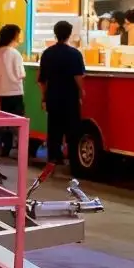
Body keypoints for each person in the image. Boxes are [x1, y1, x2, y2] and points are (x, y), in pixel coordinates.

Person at [38, 20, 85, 171]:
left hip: (53, 97)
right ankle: (73, 162)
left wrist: (44, 97)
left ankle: (53, 159)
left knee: (54, 130)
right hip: (70, 98)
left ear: (55, 34)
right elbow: (78, 76)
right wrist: (82, 91)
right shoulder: (75, 54)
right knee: (72, 130)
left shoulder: (47, 53)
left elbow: (42, 80)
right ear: (69, 34)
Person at [0, 24, 26, 157]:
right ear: (14, 36)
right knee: (17, 123)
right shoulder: (15, 54)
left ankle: (5, 147)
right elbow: (21, 74)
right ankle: (21, 150)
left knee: (4, 122)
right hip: (15, 92)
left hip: (2, 93)